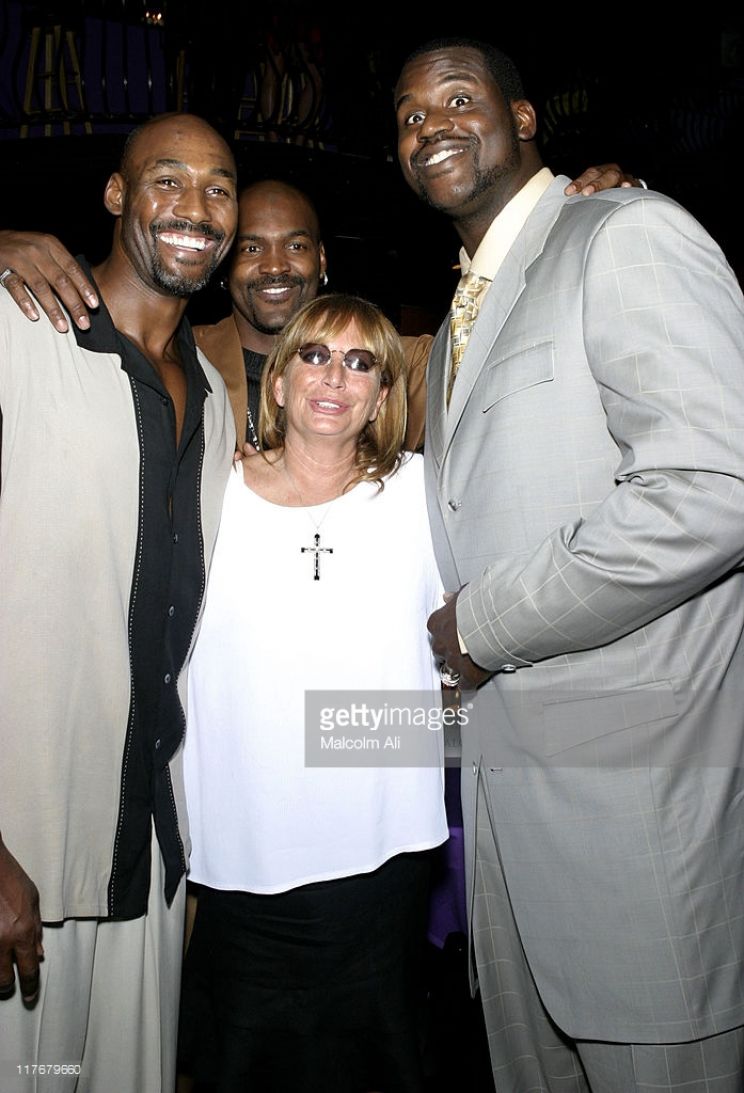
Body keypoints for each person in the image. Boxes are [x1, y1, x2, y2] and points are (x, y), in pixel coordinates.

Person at [395, 35, 744, 1093]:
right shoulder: (455, 323)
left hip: (638, 838)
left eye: (459, 99)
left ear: (524, 117)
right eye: (409, 116)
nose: (431, 126)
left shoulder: (625, 232)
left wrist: (485, 624)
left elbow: (714, 486)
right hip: (509, 851)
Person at [0, 113, 238, 1093]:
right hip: (26, 853)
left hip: (149, 853)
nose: (196, 207)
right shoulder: (18, 326)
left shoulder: (217, 396)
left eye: (218, 187)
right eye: (167, 179)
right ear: (115, 194)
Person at [178, 292, 449, 1092]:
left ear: (383, 395)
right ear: (279, 380)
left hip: (381, 852)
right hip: (242, 848)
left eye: (361, 362)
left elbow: (473, 634)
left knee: (376, 1060)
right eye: (315, 355)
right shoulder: (210, 492)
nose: (335, 376)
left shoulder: (422, 494)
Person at [0, 165, 642, 456]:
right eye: (252, 247)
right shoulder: (179, 358)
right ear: (223, 262)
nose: (275, 265)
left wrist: (587, 215)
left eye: (296, 245)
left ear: (323, 259)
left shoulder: (394, 364)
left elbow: (513, 325)